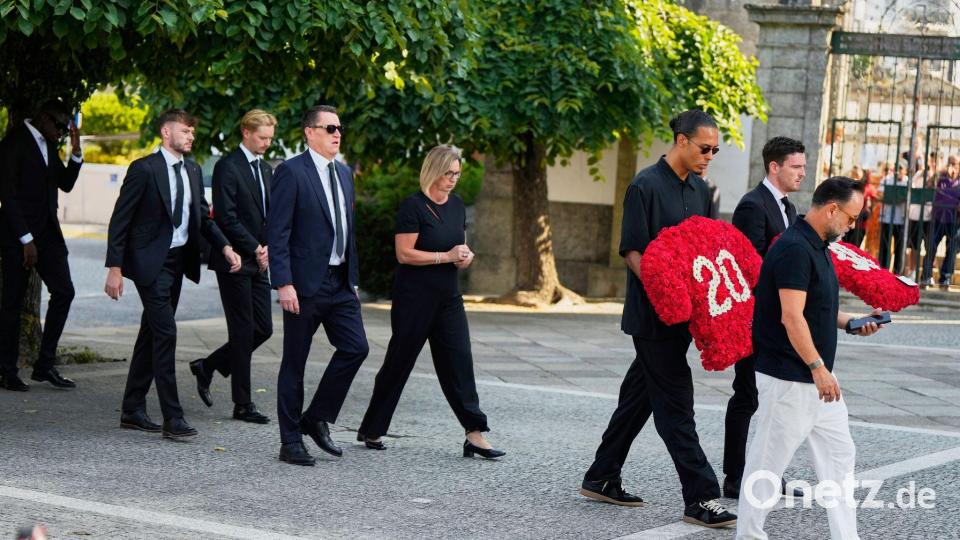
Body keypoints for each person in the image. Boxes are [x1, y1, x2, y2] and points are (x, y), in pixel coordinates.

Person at [579, 109, 736, 528]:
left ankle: (600, 476)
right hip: (652, 318)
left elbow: (706, 253)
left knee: (639, 398)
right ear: (681, 141)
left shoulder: (703, 189)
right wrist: (668, 291)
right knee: (676, 404)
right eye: (705, 148)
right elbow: (633, 251)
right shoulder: (644, 185)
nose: (709, 156)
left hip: (686, 318)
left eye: (715, 150)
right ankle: (701, 497)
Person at [736, 177, 883, 540]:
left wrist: (851, 323)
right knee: (766, 466)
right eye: (850, 219)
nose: (852, 227)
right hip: (791, 378)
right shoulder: (794, 249)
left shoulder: (817, 246)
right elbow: (791, 316)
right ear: (831, 208)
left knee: (839, 458)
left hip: (816, 381)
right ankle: (749, 535)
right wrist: (818, 368)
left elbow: (814, 306)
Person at [357, 145, 504, 459]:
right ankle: (372, 428)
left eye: (457, 174)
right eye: (448, 173)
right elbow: (404, 253)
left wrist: (464, 257)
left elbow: (459, 247)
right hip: (414, 298)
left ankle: (475, 433)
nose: (452, 179)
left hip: (448, 298)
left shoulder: (457, 205)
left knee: (460, 362)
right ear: (434, 170)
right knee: (398, 363)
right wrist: (445, 256)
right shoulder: (413, 206)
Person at [104, 109, 241, 439]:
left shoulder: (193, 170)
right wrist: (115, 268)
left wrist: (224, 246)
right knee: (166, 333)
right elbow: (120, 220)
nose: (191, 136)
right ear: (166, 133)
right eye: (185, 130)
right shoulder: (144, 169)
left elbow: (203, 219)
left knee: (151, 333)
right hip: (151, 263)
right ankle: (172, 417)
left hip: (179, 263)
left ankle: (132, 409)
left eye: (193, 131)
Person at [269, 105, 369, 466]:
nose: (337, 134)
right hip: (304, 284)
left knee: (356, 348)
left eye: (340, 128)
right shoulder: (291, 172)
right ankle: (290, 440)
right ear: (309, 132)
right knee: (295, 362)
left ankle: (315, 417)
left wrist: (352, 279)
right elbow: (277, 232)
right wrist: (283, 283)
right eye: (329, 128)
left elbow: (348, 231)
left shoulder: (344, 174)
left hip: (340, 283)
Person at [723, 136, 805, 499]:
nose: (803, 172)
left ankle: (768, 472)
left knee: (778, 401)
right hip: (754, 320)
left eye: (803, 166)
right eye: (796, 167)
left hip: (781, 320)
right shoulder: (752, 205)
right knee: (747, 396)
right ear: (775, 167)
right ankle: (736, 475)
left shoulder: (790, 209)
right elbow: (746, 265)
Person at [189, 109, 276, 424]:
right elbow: (226, 217)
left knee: (263, 328)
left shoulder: (266, 170)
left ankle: (208, 366)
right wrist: (254, 247)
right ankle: (243, 404)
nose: (267, 143)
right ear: (246, 132)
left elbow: (268, 217)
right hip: (234, 260)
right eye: (262, 137)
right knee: (242, 331)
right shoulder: (228, 166)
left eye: (270, 138)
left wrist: (267, 250)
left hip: (258, 260)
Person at [0, 100, 83, 392]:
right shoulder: (14, 143)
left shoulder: (48, 144)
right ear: (41, 117)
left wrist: (76, 153)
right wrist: (25, 239)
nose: (61, 132)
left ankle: (45, 364)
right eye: (59, 125)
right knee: (11, 303)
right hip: (18, 238)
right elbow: (7, 195)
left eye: (65, 128)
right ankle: (6, 370)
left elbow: (66, 183)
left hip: (48, 236)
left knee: (64, 292)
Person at [921, 155, 960, 289]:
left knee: (952, 250)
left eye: (955, 164)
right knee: (931, 247)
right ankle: (926, 277)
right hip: (937, 219)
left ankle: (945, 278)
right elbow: (929, 185)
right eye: (950, 163)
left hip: (954, 221)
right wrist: (941, 172)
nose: (952, 166)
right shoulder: (940, 177)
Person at [877, 164, 907, 272]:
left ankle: (897, 272)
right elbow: (879, 194)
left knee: (899, 248)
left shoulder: (907, 181)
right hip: (886, 217)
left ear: (905, 170)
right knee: (885, 246)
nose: (898, 171)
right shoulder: (887, 179)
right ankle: (883, 270)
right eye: (896, 168)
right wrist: (889, 197)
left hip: (901, 219)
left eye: (901, 168)